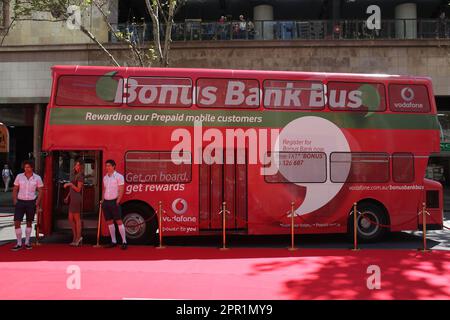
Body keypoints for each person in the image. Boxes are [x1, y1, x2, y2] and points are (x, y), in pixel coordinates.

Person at [11, 160, 43, 251]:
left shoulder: (37, 178)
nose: (26, 169)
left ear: (32, 167)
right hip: (20, 201)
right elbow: (15, 188)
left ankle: (27, 242)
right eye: (25, 167)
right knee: (17, 221)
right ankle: (19, 243)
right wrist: (15, 200)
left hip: (31, 202)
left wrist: (37, 202)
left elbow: (41, 191)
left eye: (28, 167)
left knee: (29, 222)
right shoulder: (19, 176)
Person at [101, 159, 127, 250]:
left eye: (109, 166)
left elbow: (121, 189)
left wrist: (118, 201)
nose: (107, 167)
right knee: (109, 222)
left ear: (113, 166)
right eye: (106, 166)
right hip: (106, 202)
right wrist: (103, 200)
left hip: (114, 201)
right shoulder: (105, 177)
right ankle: (113, 241)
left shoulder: (119, 177)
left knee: (119, 221)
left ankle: (124, 242)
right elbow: (104, 189)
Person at [64, 159, 84, 247]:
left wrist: (70, 185)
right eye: (76, 165)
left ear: (81, 167)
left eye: (78, 165)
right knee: (70, 218)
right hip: (72, 198)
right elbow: (73, 188)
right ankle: (76, 236)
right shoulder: (75, 175)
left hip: (76, 198)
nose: (76, 167)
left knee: (76, 219)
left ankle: (78, 237)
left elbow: (78, 189)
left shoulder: (80, 176)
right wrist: (67, 196)